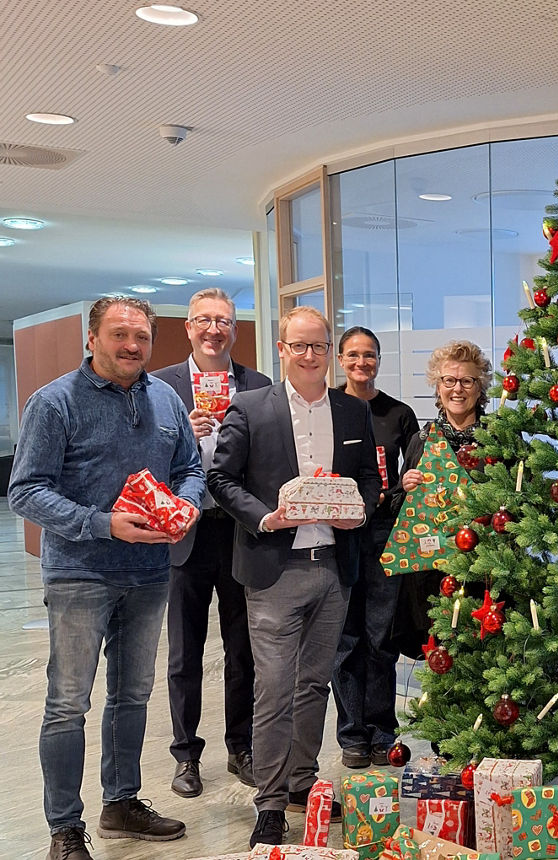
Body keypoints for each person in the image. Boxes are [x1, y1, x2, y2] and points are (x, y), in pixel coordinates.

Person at [10, 296, 205, 860]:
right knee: (68, 702)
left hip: (148, 574)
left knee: (133, 696)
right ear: (91, 338)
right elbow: (25, 490)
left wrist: (187, 505)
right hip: (80, 573)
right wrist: (102, 524)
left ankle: (121, 802)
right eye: (119, 335)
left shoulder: (165, 398)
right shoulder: (54, 403)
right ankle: (64, 828)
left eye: (141, 337)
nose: (132, 346)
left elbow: (190, 469)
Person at [208, 305, 381, 848]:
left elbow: (371, 482)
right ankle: (270, 800)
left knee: (314, 683)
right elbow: (219, 476)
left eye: (319, 346)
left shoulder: (352, 413)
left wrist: (361, 510)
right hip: (273, 573)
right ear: (281, 350)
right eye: (299, 346)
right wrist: (266, 517)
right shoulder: (250, 406)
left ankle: (304, 782)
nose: (311, 356)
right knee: (275, 688)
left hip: (333, 569)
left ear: (330, 352)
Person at [152, 288, 271, 798]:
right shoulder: (160, 387)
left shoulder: (259, 385)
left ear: (235, 330)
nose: (212, 329)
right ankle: (185, 754)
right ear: (188, 327)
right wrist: (183, 432)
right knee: (185, 652)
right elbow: (146, 463)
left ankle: (240, 747)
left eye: (222, 320)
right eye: (203, 320)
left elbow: (268, 459)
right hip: (186, 533)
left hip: (240, 532)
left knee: (242, 648)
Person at [330, 326, 419, 768]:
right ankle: (352, 735)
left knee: (380, 640)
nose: (361, 362)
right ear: (341, 361)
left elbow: (413, 475)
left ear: (378, 361)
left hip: (385, 533)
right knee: (345, 640)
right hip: (339, 533)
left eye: (369, 355)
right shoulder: (329, 406)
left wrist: (396, 495)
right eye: (353, 355)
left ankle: (384, 732)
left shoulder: (399, 414)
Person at [392, 339, 492, 657]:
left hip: (484, 571)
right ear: (438, 387)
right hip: (432, 576)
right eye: (449, 380)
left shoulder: (497, 440)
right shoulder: (421, 440)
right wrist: (404, 487)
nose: (457, 389)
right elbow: (399, 509)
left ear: (480, 388)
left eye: (467, 380)